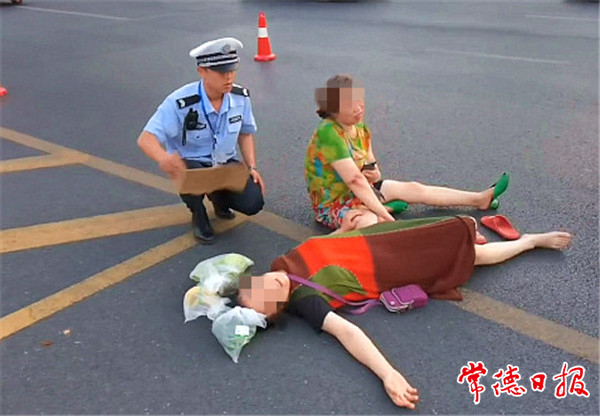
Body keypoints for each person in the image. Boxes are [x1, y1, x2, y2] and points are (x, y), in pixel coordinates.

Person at [237, 216, 572, 409]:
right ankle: (529, 242)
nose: (270, 284)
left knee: (450, 230)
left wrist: (343, 230)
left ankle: (478, 237)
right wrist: (388, 374)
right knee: (473, 257)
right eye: (268, 299)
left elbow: (324, 248)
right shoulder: (305, 301)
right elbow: (347, 332)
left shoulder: (281, 264)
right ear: (279, 309)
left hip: (375, 240)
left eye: (259, 284)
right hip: (387, 265)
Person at [305, 74, 509, 232]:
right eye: (350, 105)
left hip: (360, 194)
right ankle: (388, 217)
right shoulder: (329, 132)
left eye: (360, 100)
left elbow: (373, 172)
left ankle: (479, 199)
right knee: (370, 223)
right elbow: (355, 180)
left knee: (415, 189)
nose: (359, 108)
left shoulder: (360, 128)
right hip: (334, 205)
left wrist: (374, 173)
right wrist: (385, 215)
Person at [137, 37, 265, 243]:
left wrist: (252, 167)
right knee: (190, 173)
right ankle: (198, 213)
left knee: (253, 202)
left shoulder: (240, 98)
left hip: (224, 165)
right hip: (193, 167)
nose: (229, 77)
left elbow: (245, 133)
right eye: (221, 72)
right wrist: (164, 158)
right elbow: (146, 139)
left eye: (232, 70)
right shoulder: (180, 103)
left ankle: (219, 199)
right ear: (202, 71)